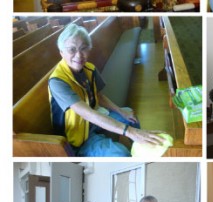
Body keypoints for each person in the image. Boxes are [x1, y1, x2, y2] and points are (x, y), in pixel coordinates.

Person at [49, 23, 167, 157]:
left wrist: (121, 111)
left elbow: (98, 96)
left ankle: (140, 150)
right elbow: (87, 114)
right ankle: (131, 149)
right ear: (61, 52)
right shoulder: (57, 81)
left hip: (94, 118)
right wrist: (129, 132)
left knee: (131, 117)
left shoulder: (89, 68)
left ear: (89, 49)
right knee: (120, 153)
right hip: (77, 138)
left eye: (83, 49)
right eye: (71, 50)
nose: (79, 55)